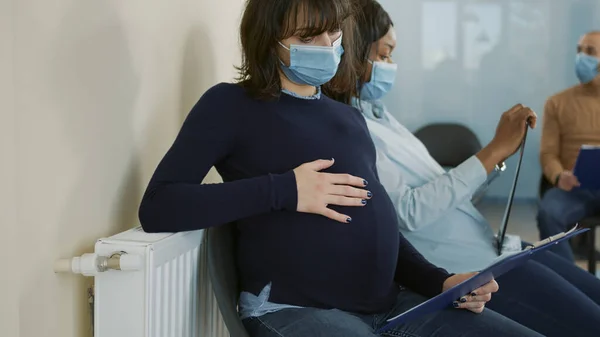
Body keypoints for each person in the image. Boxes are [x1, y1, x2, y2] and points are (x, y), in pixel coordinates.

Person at [138, 0, 542, 336]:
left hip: (391, 304)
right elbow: (159, 206)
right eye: (306, 37)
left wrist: (440, 281)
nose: (327, 45)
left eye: (332, 33)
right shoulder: (229, 105)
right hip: (294, 310)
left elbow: (376, 219)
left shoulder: (347, 118)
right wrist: (286, 190)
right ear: (267, 41)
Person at [342, 1, 600, 336]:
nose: (391, 65)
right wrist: (493, 150)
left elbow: (446, 188)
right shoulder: (351, 130)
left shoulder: (379, 115)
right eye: (385, 54)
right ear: (354, 53)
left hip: (494, 247)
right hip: (471, 269)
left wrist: (499, 154)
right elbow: (408, 212)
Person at [537, 30, 600, 262]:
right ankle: (571, 282)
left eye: (590, 51)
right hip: (573, 188)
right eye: (579, 50)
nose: (582, 57)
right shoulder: (557, 103)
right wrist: (558, 174)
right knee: (548, 213)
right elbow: (548, 153)